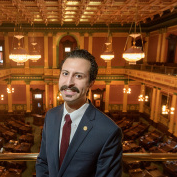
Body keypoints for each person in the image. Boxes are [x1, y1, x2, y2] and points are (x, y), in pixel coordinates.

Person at [36, 49, 123, 177]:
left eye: (78, 76)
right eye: (65, 73)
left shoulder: (108, 131)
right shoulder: (51, 116)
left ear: (91, 83)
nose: (69, 83)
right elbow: (43, 162)